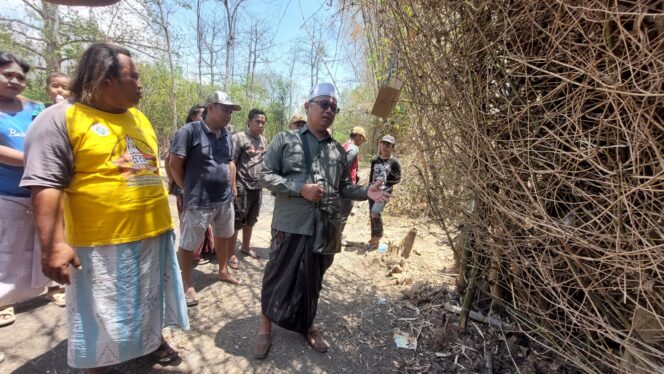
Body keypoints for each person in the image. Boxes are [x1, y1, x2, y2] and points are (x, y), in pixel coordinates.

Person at [20, 42, 189, 372]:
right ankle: (97, 364)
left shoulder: (139, 117)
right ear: (104, 79)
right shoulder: (60, 119)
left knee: (147, 303)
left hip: (152, 234)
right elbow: (45, 184)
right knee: (102, 313)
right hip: (101, 245)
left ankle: (149, 343)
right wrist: (53, 244)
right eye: (134, 77)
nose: (141, 84)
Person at [254, 83, 390, 359]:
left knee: (313, 280)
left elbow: (343, 187)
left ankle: (307, 325)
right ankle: (264, 327)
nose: (329, 110)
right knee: (276, 276)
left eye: (333, 107)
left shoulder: (337, 150)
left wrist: (366, 192)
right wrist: (299, 188)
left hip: (324, 226)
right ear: (308, 107)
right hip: (289, 224)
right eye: (323, 104)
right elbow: (264, 175)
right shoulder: (285, 139)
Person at [170, 90, 241, 308]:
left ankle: (222, 270)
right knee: (189, 242)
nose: (228, 114)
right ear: (210, 107)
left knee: (224, 235)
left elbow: (229, 162)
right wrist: (187, 188)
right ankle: (187, 282)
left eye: (231, 110)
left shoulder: (227, 135)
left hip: (223, 199)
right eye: (224, 109)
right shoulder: (189, 131)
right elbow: (174, 165)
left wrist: (232, 185)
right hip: (198, 200)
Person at [0, 52, 49, 329]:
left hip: (39, 191)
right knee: (3, 257)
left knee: (39, 251)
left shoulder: (34, 108)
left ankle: (52, 290)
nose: (15, 80)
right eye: (8, 74)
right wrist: (40, 160)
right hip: (5, 194)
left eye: (20, 76)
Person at [165, 104, 214, 265]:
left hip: (205, 189)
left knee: (205, 221)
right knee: (190, 222)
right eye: (201, 115)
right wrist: (174, 181)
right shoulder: (185, 133)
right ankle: (191, 254)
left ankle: (206, 249)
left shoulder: (209, 135)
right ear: (192, 116)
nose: (204, 118)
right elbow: (169, 161)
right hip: (187, 187)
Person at [227, 109, 268, 269]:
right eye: (257, 121)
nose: (260, 125)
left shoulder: (263, 140)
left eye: (263, 122)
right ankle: (231, 254)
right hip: (241, 185)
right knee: (237, 221)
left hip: (257, 187)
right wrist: (232, 185)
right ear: (249, 122)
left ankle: (245, 246)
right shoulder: (239, 138)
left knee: (251, 219)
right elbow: (232, 162)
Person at [367, 135, 402, 248]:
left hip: (384, 191)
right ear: (380, 145)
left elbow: (397, 178)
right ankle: (374, 241)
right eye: (383, 144)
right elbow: (371, 175)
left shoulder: (394, 162)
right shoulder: (374, 160)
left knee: (375, 213)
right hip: (373, 191)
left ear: (392, 147)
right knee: (372, 215)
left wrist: (385, 184)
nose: (385, 147)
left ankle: (378, 236)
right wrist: (370, 188)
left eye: (388, 145)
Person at [338, 126, 367, 237]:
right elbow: (344, 167)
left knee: (338, 212)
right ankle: (337, 237)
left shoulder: (342, 146)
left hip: (338, 185)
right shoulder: (354, 148)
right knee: (345, 211)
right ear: (358, 136)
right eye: (362, 139)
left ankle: (334, 235)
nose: (362, 142)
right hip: (347, 186)